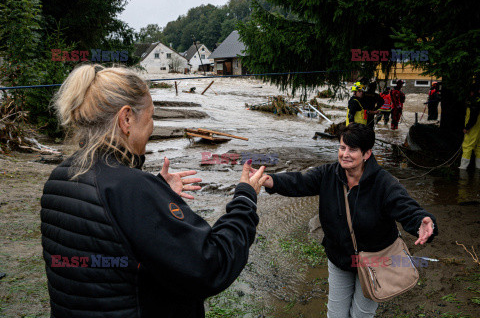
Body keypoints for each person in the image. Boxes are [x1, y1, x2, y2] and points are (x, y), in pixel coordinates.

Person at [40, 64, 269, 318]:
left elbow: (111, 246)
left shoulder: (59, 179)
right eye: (150, 117)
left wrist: (157, 191)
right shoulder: (132, 189)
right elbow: (210, 265)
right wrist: (245, 197)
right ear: (126, 119)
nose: (152, 127)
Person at [253, 123, 438, 318]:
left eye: (353, 149)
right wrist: (269, 180)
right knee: (336, 314)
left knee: (361, 315)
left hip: (375, 260)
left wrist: (422, 220)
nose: (345, 154)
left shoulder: (384, 183)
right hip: (340, 257)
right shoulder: (328, 174)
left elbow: (405, 206)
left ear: (367, 154)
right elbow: (299, 181)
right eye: (342, 148)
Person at [459, 84, 480, 170]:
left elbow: (473, 117)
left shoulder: (473, 101)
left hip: (473, 127)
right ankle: (478, 168)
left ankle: (463, 168)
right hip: (478, 127)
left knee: (467, 146)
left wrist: (467, 127)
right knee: (478, 147)